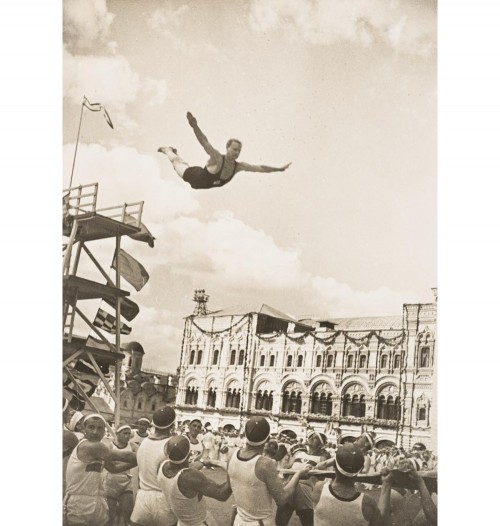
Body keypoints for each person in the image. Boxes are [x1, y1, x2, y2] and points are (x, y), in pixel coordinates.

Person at [158, 112, 292, 190]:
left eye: (239, 151)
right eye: (234, 149)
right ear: (227, 148)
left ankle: (175, 153)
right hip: (193, 176)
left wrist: (278, 169)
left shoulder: (239, 166)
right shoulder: (217, 157)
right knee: (176, 163)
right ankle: (168, 150)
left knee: (181, 162)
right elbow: (204, 142)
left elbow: (260, 168)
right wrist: (194, 126)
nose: (236, 153)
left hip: (202, 180)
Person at [228, 416, 311, 526]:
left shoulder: (232, 455)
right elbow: (282, 499)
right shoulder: (265, 464)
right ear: (267, 438)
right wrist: (298, 474)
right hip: (260, 522)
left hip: (239, 521)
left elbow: (225, 491)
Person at [64, 414, 137, 526]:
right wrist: (147, 455)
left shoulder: (99, 448)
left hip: (96, 500)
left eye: (99, 428)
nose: (95, 432)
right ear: (84, 429)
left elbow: (113, 468)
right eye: (91, 427)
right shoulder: (90, 446)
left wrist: (138, 462)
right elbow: (125, 457)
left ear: (104, 431)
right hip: (77, 502)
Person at [158, 435, 232, 526]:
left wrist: (204, 462)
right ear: (189, 455)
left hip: (181, 523)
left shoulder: (163, 466)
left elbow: (185, 467)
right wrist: (233, 473)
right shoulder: (190, 477)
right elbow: (222, 494)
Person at [315, 443, 393, 526]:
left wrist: (333, 461)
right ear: (361, 468)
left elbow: (318, 467)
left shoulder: (319, 489)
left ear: (334, 465)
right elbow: (380, 523)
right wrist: (386, 484)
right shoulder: (367, 503)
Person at [130, 406, 177, 526]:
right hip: (163, 499)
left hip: (143, 497)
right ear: (172, 425)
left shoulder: (144, 442)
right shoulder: (171, 444)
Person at [276, 431, 333, 526]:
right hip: (290, 486)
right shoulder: (299, 454)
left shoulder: (321, 458)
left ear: (320, 445)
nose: (311, 438)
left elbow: (322, 477)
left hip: (304, 489)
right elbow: (288, 469)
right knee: (279, 522)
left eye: (315, 438)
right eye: (311, 436)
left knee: (308, 523)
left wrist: (313, 470)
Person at [102, 424, 135, 526]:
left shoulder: (133, 446)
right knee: (110, 516)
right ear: (117, 434)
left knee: (127, 514)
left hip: (126, 482)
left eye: (129, 433)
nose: (127, 436)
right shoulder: (110, 446)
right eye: (124, 433)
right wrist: (129, 463)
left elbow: (141, 456)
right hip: (111, 482)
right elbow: (110, 466)